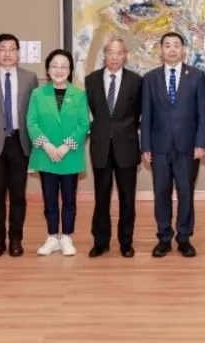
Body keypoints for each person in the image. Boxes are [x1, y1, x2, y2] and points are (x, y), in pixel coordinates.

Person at [141, 32, 205, 258]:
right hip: (159, 146)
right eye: (167, 45)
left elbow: (203, 113)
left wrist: (201, 142)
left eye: (176, 45)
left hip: (188, 146)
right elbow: (146, 115)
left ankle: (184, 237)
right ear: (161, 50)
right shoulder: (150, 78)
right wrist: (145, 145)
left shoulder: (196, 76)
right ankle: (163, 237)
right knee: (161, 192)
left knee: (185, 192)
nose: (172, 49)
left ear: (183, 50)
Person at [0, 33, 38, 258]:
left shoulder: (30, 78)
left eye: (12, 49)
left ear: (18, 53)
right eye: (3, 49)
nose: (7, 53)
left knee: (18, 195)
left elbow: (34, 114)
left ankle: (16, 240)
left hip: (20, 143)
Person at [28, 49, 90, 256]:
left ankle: (67, 236)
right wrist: (47, 146)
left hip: (69, 155)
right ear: (48, 69)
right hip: (46, 154)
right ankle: (52, 236)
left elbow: (83, 124)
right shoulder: (38, 94)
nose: (59, 70)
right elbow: (32, 123)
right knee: (50, 199)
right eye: (54, 66)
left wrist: (65, 147)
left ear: (70, 70)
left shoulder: (79, 95)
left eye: (64, 66)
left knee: (69, 199)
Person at [85, 37, 142, 258]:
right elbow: (93, 111)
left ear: (125, 55)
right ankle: (100, 242)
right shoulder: (91, 80)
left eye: (119, 53)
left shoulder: (136, 81)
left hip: (126, 147)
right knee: (101, 197)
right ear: (105, 54)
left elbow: (138, 114)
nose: (115, 57)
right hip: (100, 147)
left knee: (127, 198)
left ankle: (126, 242)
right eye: (110, 52)